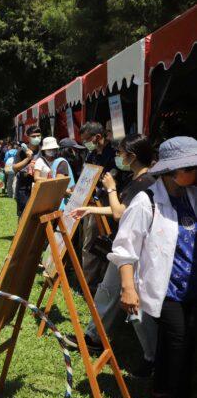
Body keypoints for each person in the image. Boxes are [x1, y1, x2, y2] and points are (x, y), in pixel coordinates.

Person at [110, 137, 197, 398]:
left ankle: (160, 389)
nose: (196, 171)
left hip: (191, 286)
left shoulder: (192, 195)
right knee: (182, 345)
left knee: (177, 343)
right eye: (191, 167)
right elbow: (125, 248)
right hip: (167, 288)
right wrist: (128, 287)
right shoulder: (145, 201)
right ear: (174, 170)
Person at [68, 134, 157, 375]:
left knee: (136, 308)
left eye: (121, 152)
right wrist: (89, 208)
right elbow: (124, 210)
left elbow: (119, 214)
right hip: (123, 249)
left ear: (133, 156)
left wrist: (111, 188)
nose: (118, 156)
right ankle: (94, 337)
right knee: (107, 293)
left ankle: (152, 357)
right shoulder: (138, 177)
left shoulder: (146, 181)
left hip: (134, 252)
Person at [80, 121, 119, 291]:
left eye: (87, 140)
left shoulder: (114, 154)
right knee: (88, 241)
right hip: (91, 203)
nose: (85, 143)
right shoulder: (91, 154)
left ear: (97, 137)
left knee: (102, 242)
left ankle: (96, 281)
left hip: (108, 203)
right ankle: (88, 281)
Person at [12, 126, 42, 216]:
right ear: (28, 137)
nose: (36, 138)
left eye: (38, 135)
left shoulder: (43, 150)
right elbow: (15, 168)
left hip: (38, 186)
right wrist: (28, 159)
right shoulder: (21, 151)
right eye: (33, 136)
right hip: (23, 187)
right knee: (23, 213)